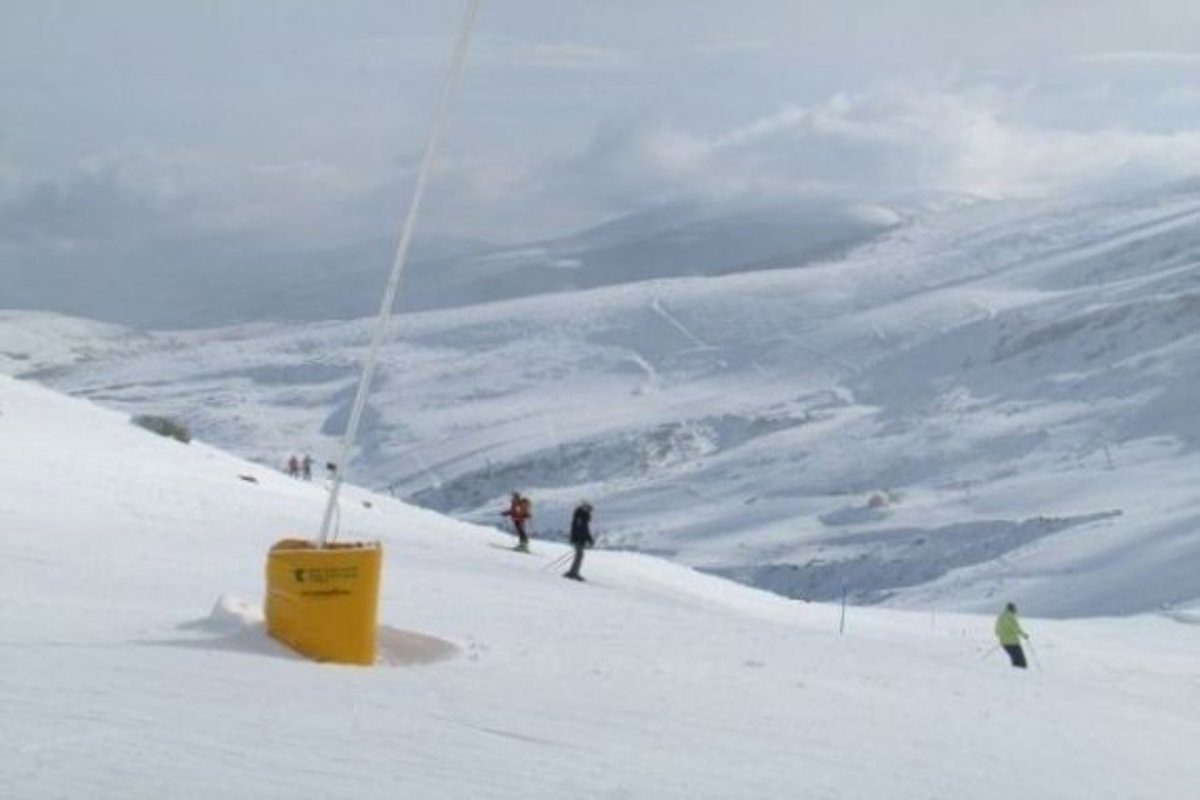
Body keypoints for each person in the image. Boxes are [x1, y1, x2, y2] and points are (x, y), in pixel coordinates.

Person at [564, 501, 595, 581]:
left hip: (579, 540)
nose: (589, 511)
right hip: (578, 540)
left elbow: (585, 530)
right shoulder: (580, 517)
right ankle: (573, 573)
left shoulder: (582, 517)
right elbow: (578, 529)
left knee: (579, 555)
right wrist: (580, 539)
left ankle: (573, 572)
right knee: (579, 555)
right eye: (588, 509)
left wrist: (589, 539)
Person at [994, 602, 1030, 669]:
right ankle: (1022, 673)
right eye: (1014, 609)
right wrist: (1024, 635)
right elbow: (1016, 628)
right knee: (1021, 662)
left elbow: (996, 631)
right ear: (1012, 609)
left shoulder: (1000, 617)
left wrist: (1003, 637)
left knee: (1014, 659)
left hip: (1004, 643)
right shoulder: (1011, 617)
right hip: (1013, 643)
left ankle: (1015, 672)